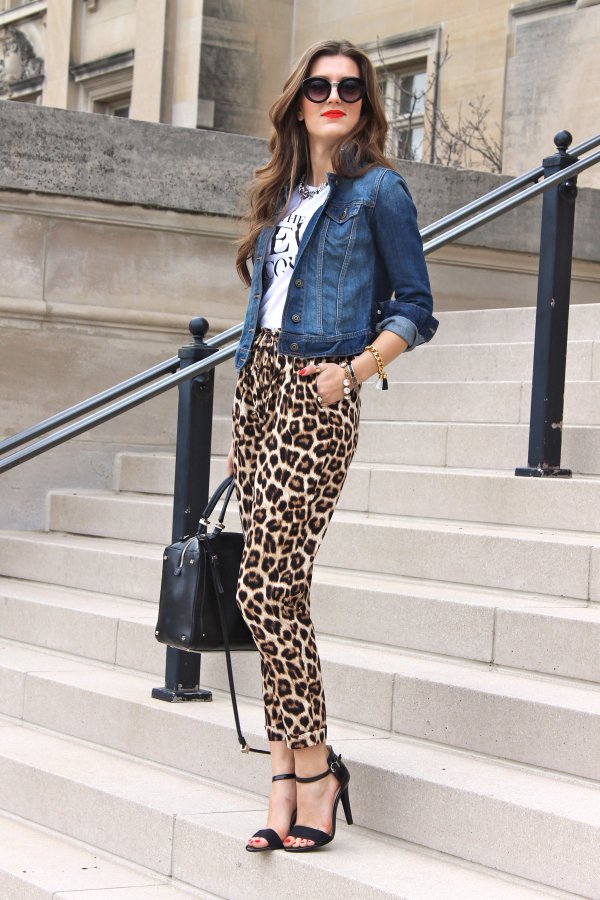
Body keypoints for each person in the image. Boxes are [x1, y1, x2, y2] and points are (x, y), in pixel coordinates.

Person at [225, 38, 437, 853]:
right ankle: (284, 773)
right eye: (319, 86)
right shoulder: (283, 194)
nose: (334, 97)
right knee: (275, 590)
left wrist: (351, 374)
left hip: (318, 393)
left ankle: (314, 770)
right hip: (259, 391)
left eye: (350, 87)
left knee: (264, 585)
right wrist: (241, 425)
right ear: (299, 101)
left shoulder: (379, 191)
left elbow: (415, 306)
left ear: (366, 103)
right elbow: (261, 313)